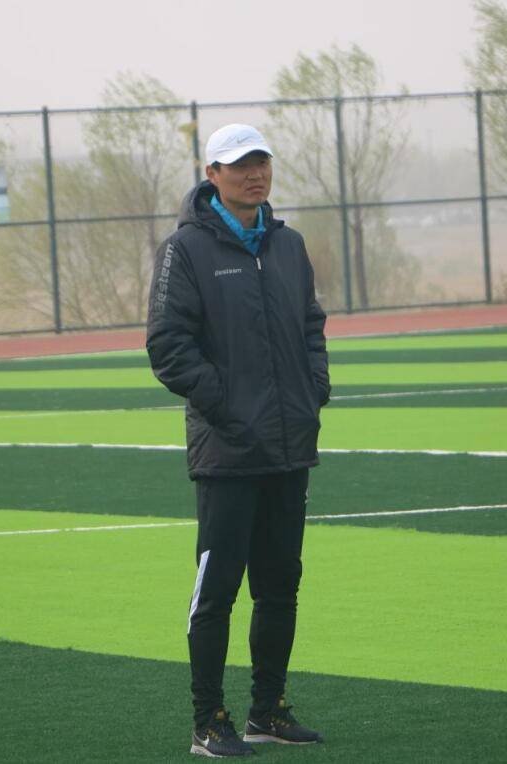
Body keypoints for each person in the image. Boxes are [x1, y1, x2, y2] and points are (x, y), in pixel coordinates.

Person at [146, 123, 330, 758]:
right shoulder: (185, 249)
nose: (255, 173)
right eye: (240, 164)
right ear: (213, 174)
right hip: (227, 451)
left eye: (261, 162)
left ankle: (267, 712)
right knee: (217, 593)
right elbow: (167, 346)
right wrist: (228, 407)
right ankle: (208, 722)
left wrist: (314, 390)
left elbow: (311, 326)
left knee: (280, 587)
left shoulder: (288, 245)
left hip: (288, 447)